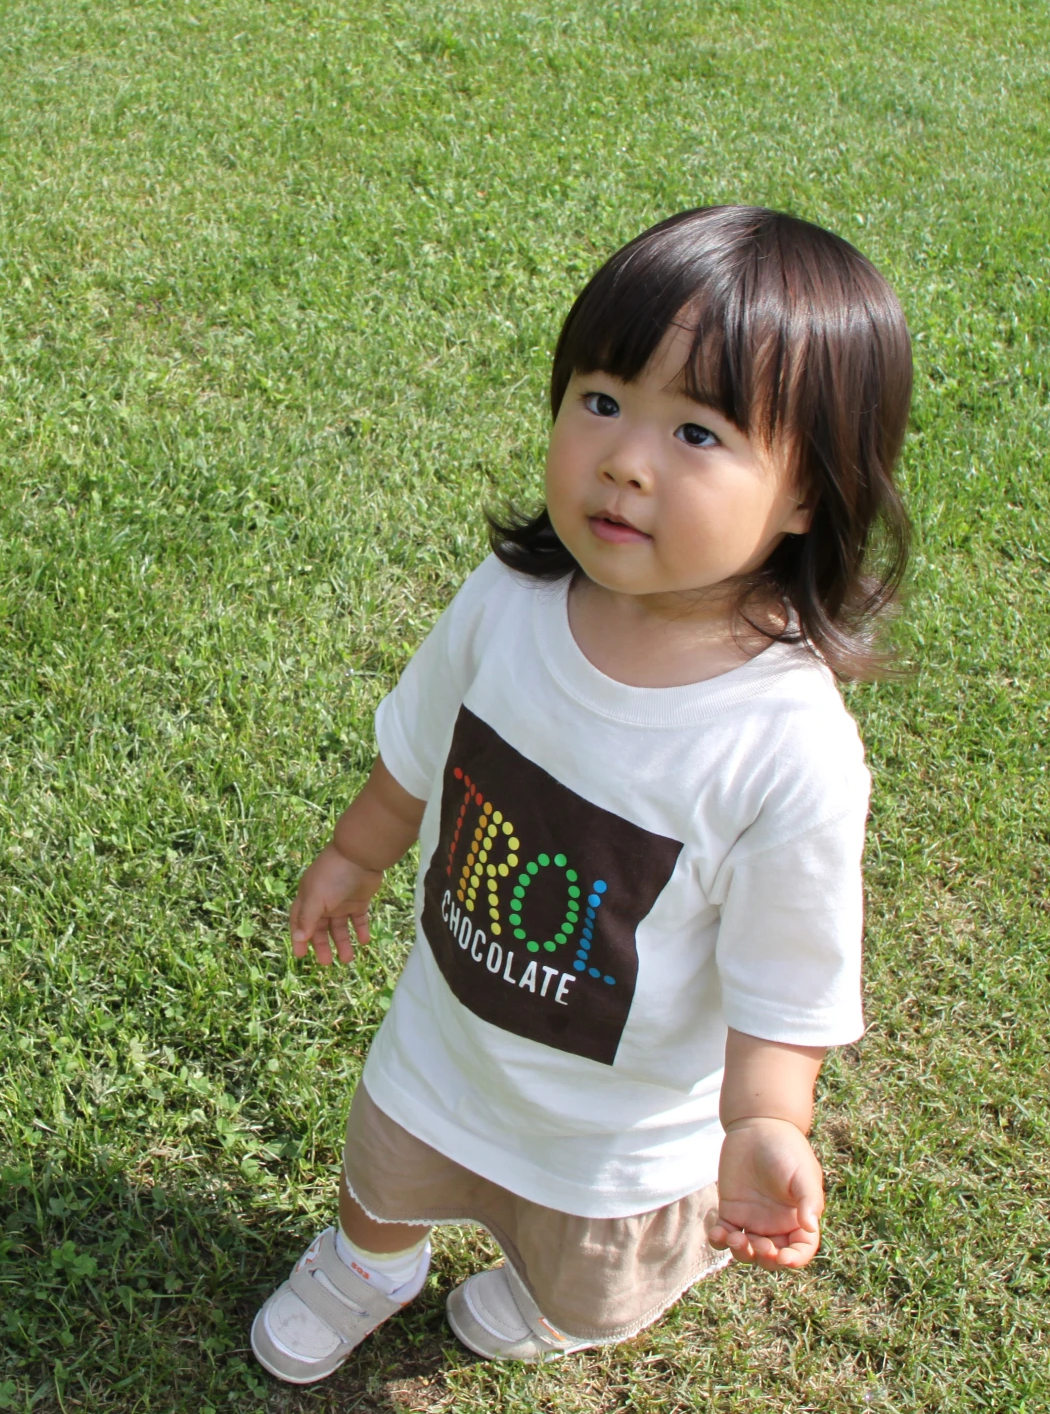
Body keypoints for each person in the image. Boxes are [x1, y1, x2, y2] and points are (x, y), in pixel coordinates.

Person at [250, 205, 914, 1382]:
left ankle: (551, 1296)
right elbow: (419, 749)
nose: (624, 457)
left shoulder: (784, 743)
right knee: (387, 1167)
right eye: (600, 400)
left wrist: (764, 1125)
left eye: (698, 432)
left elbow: (782, 977)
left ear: (807, 493)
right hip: (447, 1039)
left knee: (582, 1282)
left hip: (624, 1137)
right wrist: (354, 856)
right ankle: (371, 1261)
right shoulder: (509, 600)